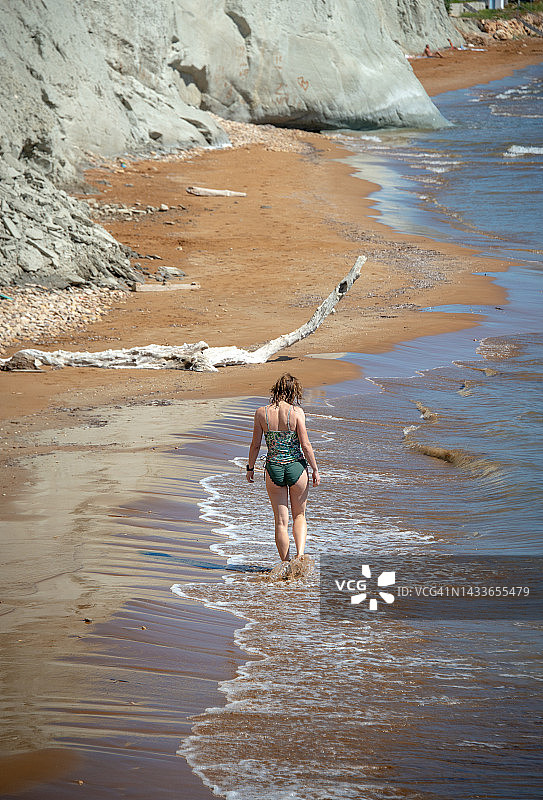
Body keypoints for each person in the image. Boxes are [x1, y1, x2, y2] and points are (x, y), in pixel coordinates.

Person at [246, 373, 320, 569]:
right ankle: (300, 556)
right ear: (294, 391)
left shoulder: (261, 413)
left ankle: (285, 564)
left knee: (280, 521)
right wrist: (314, 469)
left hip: (273, 469)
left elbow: (255, 445)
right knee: (300, 516)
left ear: (276, 389)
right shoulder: (297, 413)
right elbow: (305, 444)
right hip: (296, 467)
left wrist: (250, 468)